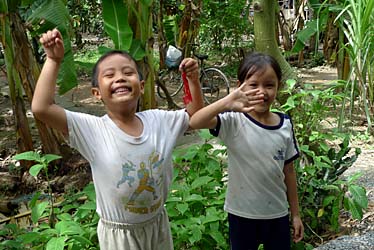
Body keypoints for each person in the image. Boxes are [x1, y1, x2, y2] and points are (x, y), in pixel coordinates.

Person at [32, 28, 204, 250]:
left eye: (128, 72)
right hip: (119, 236)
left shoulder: (159, 121)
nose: (120, 78)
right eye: (109, 75)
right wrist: (54, 60)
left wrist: (193, 80)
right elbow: (41, 107)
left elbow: (196, 116)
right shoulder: (92, 130)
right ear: (96, 93)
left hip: (158, 225)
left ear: (141, 87)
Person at [190, 52, 304, 249]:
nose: (262, 92)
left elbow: (289, 171)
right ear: (239, 86)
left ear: (279, 86)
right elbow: (195, 121)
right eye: (253, 85)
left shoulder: (285, 123)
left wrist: (295, 214)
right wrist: (228, 101)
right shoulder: (233, 121)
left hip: (277, 214)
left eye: (269, 85)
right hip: (242, 215)